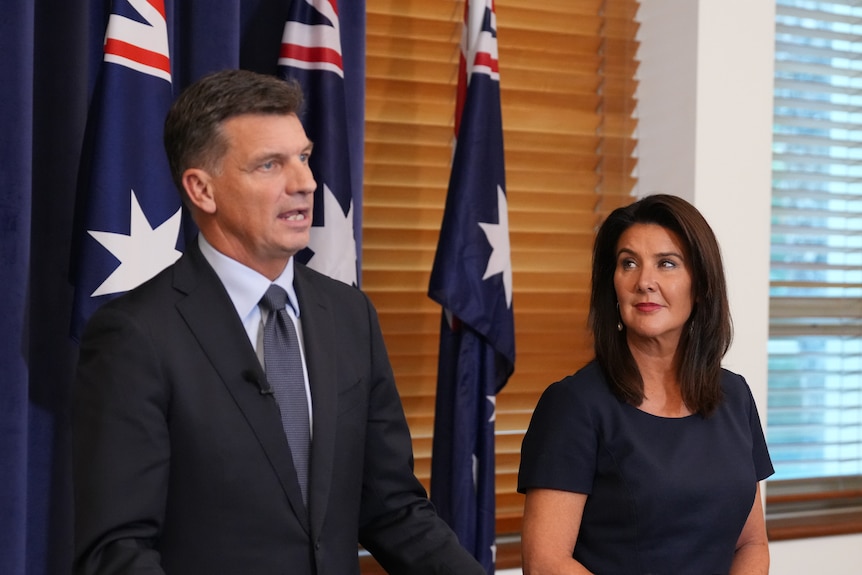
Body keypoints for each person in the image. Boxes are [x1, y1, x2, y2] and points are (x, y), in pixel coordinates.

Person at [72, 69, 485, 575]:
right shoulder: (136, 336)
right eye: (270, 165)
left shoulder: (350, 315)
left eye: (305, 158)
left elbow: (393, 507)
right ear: (202, 190)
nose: (306, 183)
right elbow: (117, 551)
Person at [517, 194, 774, 574]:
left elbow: (751, 543)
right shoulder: (573, 404)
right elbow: (545, 562)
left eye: (666, 264)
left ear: (700, 285)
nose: (644, 282)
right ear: (613, 285)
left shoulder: (734, 395)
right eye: (628, 264)